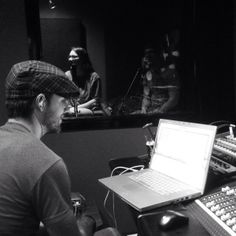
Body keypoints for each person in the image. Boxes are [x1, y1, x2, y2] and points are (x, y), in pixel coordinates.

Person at [0, 60, 120, 236]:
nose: (67, 108)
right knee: (110, 232)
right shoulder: (46, 164)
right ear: (41, 102)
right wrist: (85, 225)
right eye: (63, 101)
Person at [140, 45, 180, 114]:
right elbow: (146, 96)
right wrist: (144, 108)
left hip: (167, 113)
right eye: (146, 55)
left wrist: (161, 110)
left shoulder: (170, 73)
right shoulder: (147, 75)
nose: (147, 58)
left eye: (150, 55)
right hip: (153, 111)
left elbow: (174, 99)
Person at [65, 47, 102, 115]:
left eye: (74, 57)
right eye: (69, 57)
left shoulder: (94, 77)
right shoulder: (67, 75)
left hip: (87, 109)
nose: (70, 59)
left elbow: (96, 100)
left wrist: (77, 108)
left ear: (83, 58)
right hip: (70, 109)